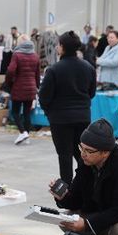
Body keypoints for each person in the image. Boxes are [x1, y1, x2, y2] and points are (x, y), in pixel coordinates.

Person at [39, 31, 96, 183]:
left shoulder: (54, 70)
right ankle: (87, 185)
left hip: (60, 119)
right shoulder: (88, 68)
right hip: (82, 117)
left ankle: (68, 189)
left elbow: (44, 96)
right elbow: (92, 92)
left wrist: (49, 111)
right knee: (83, 155)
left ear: (62, 48)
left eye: (58, 44)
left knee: (64, 155)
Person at [6, 36, 40, 145]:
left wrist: (9, 83)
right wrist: (36, 87)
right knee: (27, 113)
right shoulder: (35, 56)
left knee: (15, 112)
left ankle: (22, 132)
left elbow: (10, 71)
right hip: (31, 88)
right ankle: (27, 136)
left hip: (18, 88)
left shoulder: (16, 55)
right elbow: (37, 75)